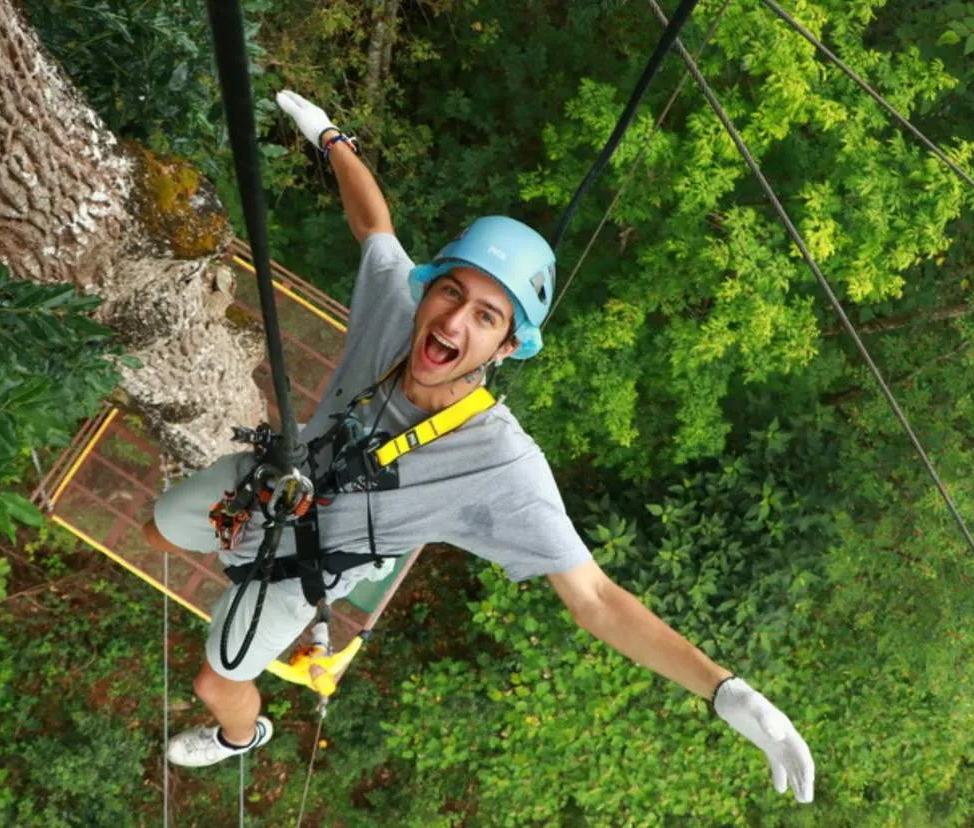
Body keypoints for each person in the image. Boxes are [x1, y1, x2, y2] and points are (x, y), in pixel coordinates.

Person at [142, 90, 815, 804]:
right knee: (161, 523)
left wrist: (725, 692)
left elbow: (595, 599)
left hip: (305, 568)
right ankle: (231, 559)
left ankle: (240, 736)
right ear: (427, 292)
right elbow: (374, 226)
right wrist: (332, 139)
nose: (454, 321)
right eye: (450, 294)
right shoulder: (396, 315)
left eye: (485, 315)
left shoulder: (500, 466)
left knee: (219, 676)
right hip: (269, 484)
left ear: (507, 344)